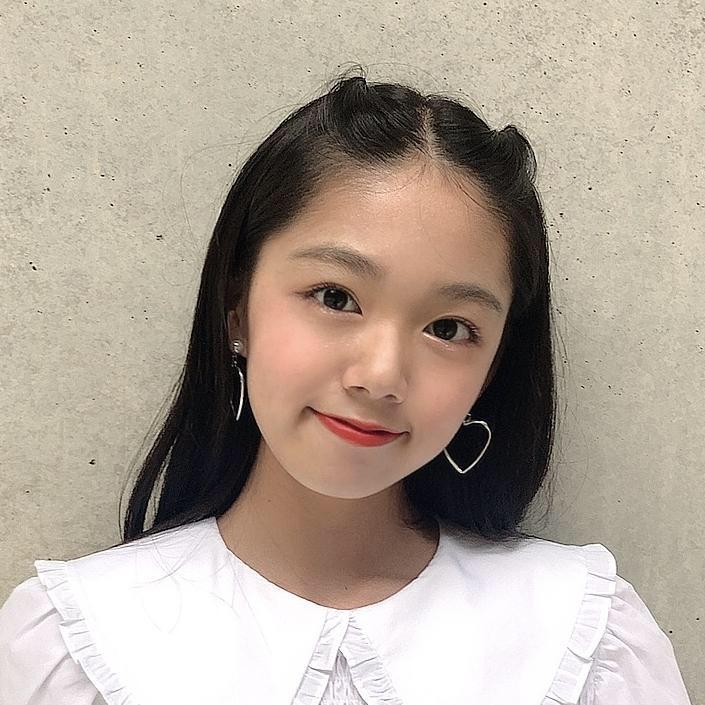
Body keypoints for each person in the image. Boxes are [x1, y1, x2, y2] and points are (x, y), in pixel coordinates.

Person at [0, 69, 693, 705]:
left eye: (449, 328)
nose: (381, 375)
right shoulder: (78, 644)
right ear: (236, 309)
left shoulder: (583, 638)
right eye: (335, 296)